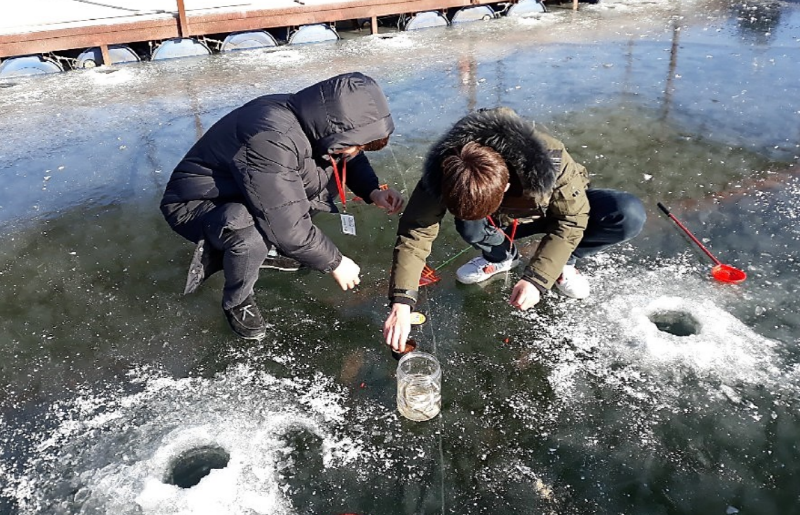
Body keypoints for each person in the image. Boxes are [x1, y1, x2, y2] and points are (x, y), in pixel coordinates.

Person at [161, 72, 404, 340]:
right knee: (249, 233)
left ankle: (270, 251)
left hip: (249, 191)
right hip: (198, 204)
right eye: (354, 146)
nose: (354, 152)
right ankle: (237, 300)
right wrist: (335, 262)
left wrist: (372, 191)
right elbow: (287, 225)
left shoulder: (321, 128)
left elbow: (349, 159)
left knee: (293, 202)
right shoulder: (270, 137)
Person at [383, 107, 645, 351]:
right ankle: (501, 256)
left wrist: (537, 278)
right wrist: (402, 302)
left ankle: (565, 261)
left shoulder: (551, 158)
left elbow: (571, 220)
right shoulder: (447, 170)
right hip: (502, 222)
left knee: (627, 213)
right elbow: (415, 230)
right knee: (470, 222)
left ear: (506, 188)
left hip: (549, 212)